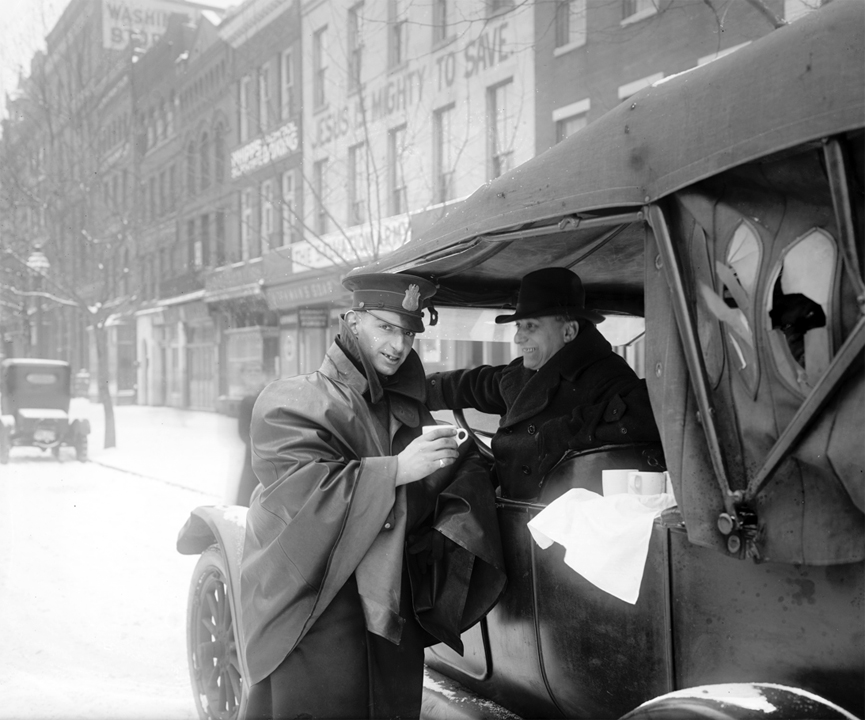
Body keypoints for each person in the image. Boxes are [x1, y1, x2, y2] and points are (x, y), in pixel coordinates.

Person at [239, 273, 505, 720]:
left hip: (387, 614)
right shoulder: (291, 401)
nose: (398, 345)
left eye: (408, 333)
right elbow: (302, 499)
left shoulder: (406, 406)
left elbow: (435, 490)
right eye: (386, 327)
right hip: (318, 611)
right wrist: (398, 471)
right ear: (353, 321)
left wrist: (465, 466)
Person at [426, 267, 662, 501]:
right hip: (509, 504)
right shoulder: (528, 371)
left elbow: (649, 415)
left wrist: (564, 432)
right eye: (519, 326)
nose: (518, 337)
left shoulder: (607, 375)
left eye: (531, 326)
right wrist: (417, 389)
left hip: (555, 521)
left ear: (569, 331)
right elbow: (476, 385)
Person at [234, 362, 269, 507]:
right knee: (248, 491)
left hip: (271, 451)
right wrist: (256, 447)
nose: (254, 373)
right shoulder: (246, 400)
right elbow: (242, 431)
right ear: (244, 376)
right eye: (250, 371)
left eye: (257, 370)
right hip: (253, 454)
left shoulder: (269, 393)